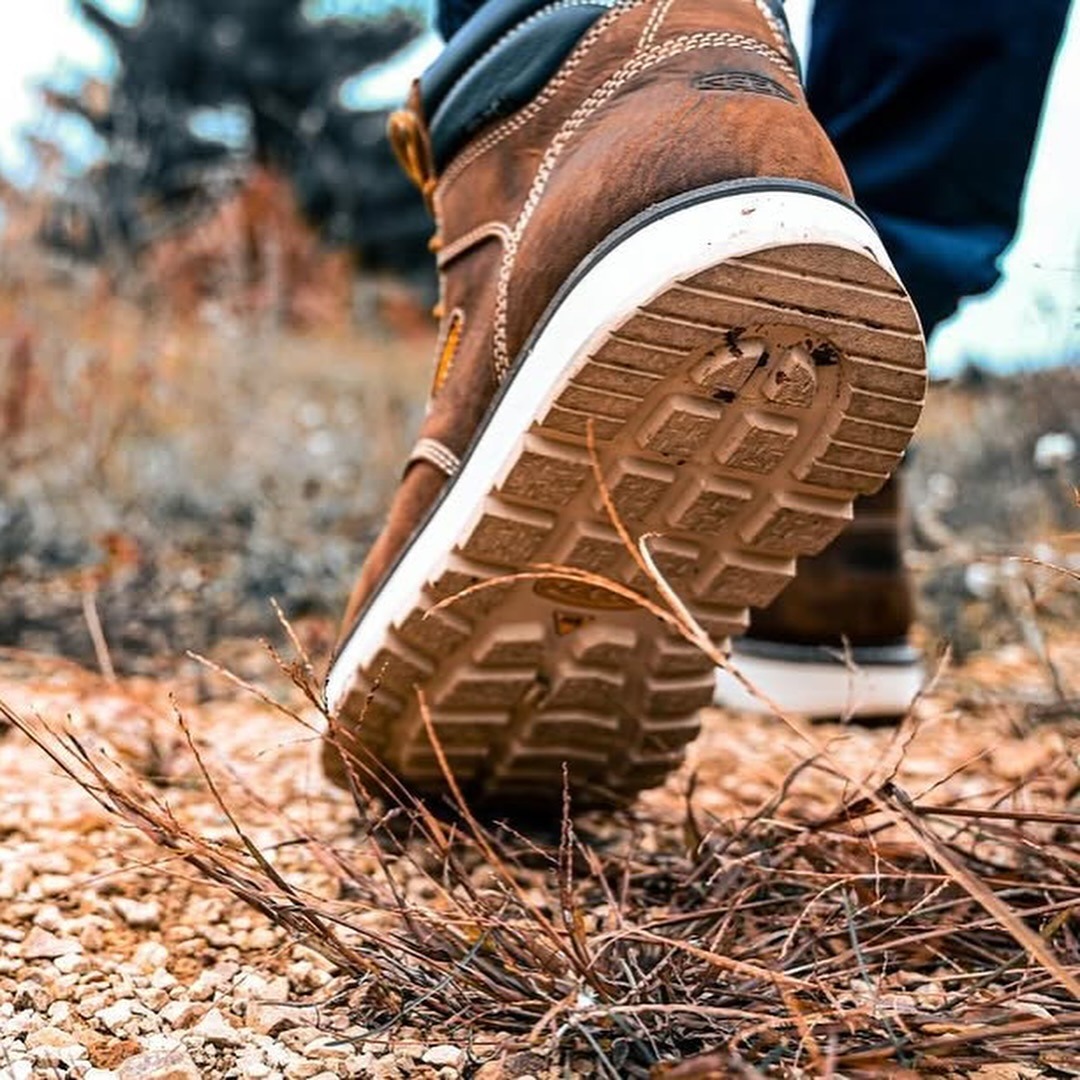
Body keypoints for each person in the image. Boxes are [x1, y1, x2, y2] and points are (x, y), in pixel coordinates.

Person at [323, 0, 1070, 808]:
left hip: (610, 128)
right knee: (868, 216)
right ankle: (837, 525)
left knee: (609, 40)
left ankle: (593, 77)